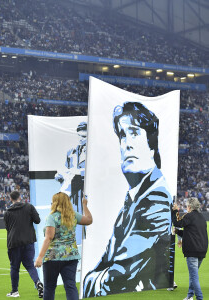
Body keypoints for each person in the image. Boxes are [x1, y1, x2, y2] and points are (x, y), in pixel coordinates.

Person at [83, 102, 173, 297]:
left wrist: (90, 280)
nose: (127, 143)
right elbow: (106, 262)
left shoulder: (155, 198)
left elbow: (118, 276)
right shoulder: (134, 196)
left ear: (151, 144)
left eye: (134, 133)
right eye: (122, 135)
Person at [34, 192, 92, 300]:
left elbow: (49, 237)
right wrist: (85, 205)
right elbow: (89, 220)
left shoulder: (52, 217)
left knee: (50, 287)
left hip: (52, 257)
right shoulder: (73, 216)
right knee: (70, 286)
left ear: (55, 203)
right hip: (71, 256)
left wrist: (40, 257)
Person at [4, 191, 43, 298]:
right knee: (30, 265)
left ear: (11, 199)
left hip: (14, 242)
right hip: (28, 241)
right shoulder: (29, 207)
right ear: (20, 197)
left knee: (14, 267)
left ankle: (15, 291)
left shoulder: (7, 212)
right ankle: (38, 282)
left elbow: (8, 228)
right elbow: (38, 220)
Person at [172, 197, 208, 300]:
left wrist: (175, 212)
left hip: (192, 250)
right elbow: (190, 233)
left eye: (187, 206)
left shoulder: (189, 216)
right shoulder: (201, 217)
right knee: (194, 275)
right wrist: (178, 232)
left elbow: (177, 223)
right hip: (202, 250)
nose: (186, 207)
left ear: (190, 207)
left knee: (194, 276)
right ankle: (189, 296)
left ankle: (199, 298)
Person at [55, 122, 87, 212]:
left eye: (84, 137)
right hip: (73, 187)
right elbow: (66, 168)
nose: (81, 139)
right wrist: (60, 174)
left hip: (85, 187)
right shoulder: (70, 152)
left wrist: (79, 172)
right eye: (79, 135)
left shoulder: (92, 152)